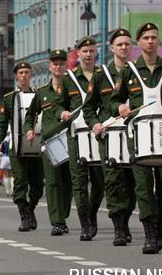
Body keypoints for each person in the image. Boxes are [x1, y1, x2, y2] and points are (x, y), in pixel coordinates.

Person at [112, 23, 162, 254]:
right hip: (139, 136)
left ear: (158, 41)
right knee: (143, 186)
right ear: (138, 43)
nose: (150, 41)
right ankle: (150, 233)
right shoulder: (129, 71)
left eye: (154, 37)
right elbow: (115, 100)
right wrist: (121, 106)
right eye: (146, 38)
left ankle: (158, 218)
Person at [81, 29, 137, 246]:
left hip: (133, 135)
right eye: (119, 44)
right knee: (113, 182)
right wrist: (95, 123)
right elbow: (88, 108)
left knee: (133, 184)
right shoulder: (101, 75)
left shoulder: (136, 73)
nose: (124, 47)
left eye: (127, 44)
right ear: (111, 48)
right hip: (110, 137)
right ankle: (119, 228)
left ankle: (126, 218)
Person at [62, 36, 106, 241]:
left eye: (91, 50)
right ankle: (85, 224)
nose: (88, 54)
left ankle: (92, 211)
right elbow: (58, 105)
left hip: (99, 133)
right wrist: (62, 113)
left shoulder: (103, 75)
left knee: (100, 181)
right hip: (76, 135)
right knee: (79, 182)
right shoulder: (68, 78)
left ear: (96, 52)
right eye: (84, 51)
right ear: (77, 54)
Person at [25, 49, 73, 236]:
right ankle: (57, 221)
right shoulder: (43, 92)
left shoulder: (72, 87)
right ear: (50, 66)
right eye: (55, 63)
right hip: (50, 142)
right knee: (52, 182)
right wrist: (29, 129)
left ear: (66, 65)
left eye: (61, 63)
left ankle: (64, 214)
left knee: (68, 182)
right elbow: (30, 114)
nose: (58, 66)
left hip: (69, 139)